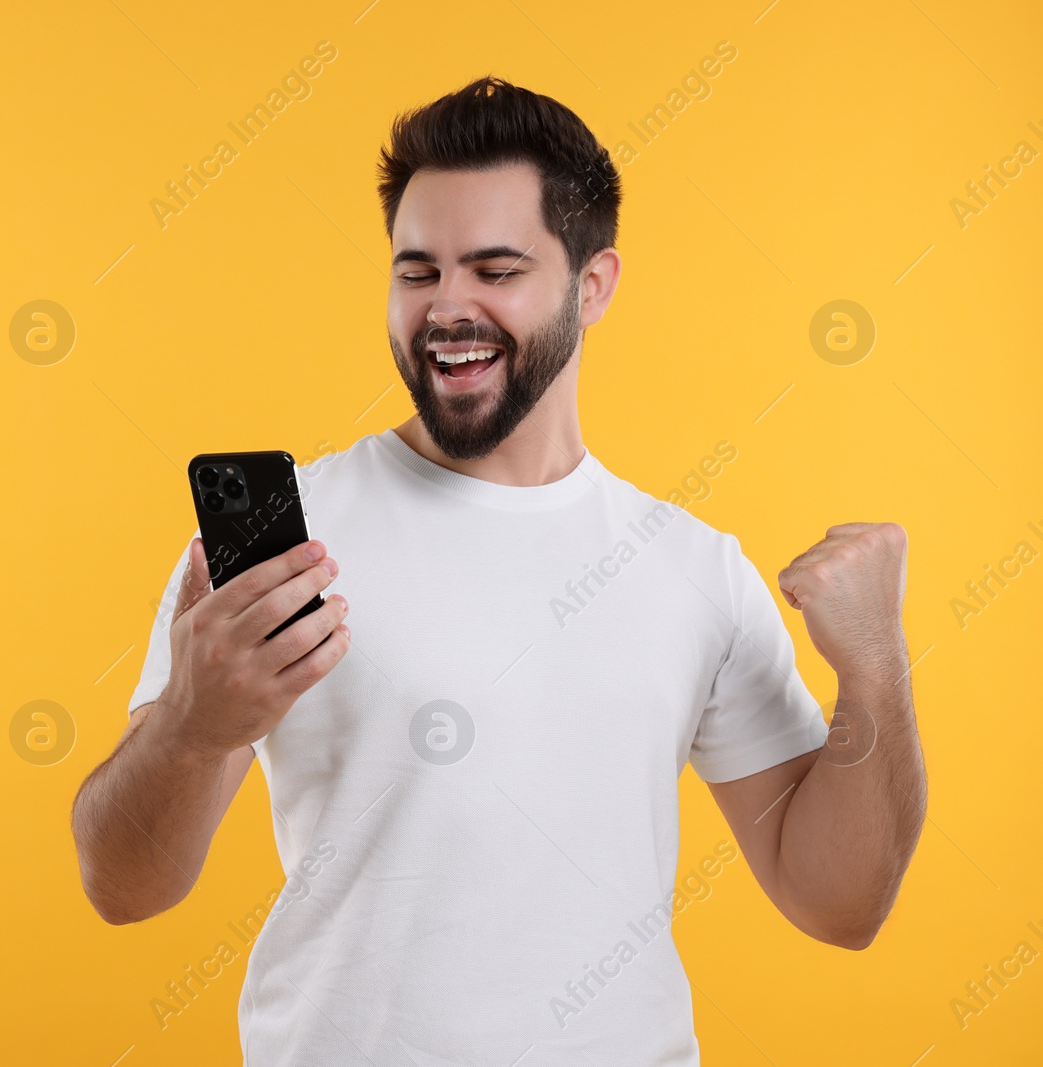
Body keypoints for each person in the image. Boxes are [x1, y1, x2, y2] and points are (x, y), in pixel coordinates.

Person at [71, 76, 926, 1065]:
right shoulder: (281, 533)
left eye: (494, 268)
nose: (447, 308)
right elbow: (122, 885)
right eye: (417, 271)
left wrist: (873, 669)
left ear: (592, 284)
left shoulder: (693, 568)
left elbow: (840, 903)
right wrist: (191, 722)